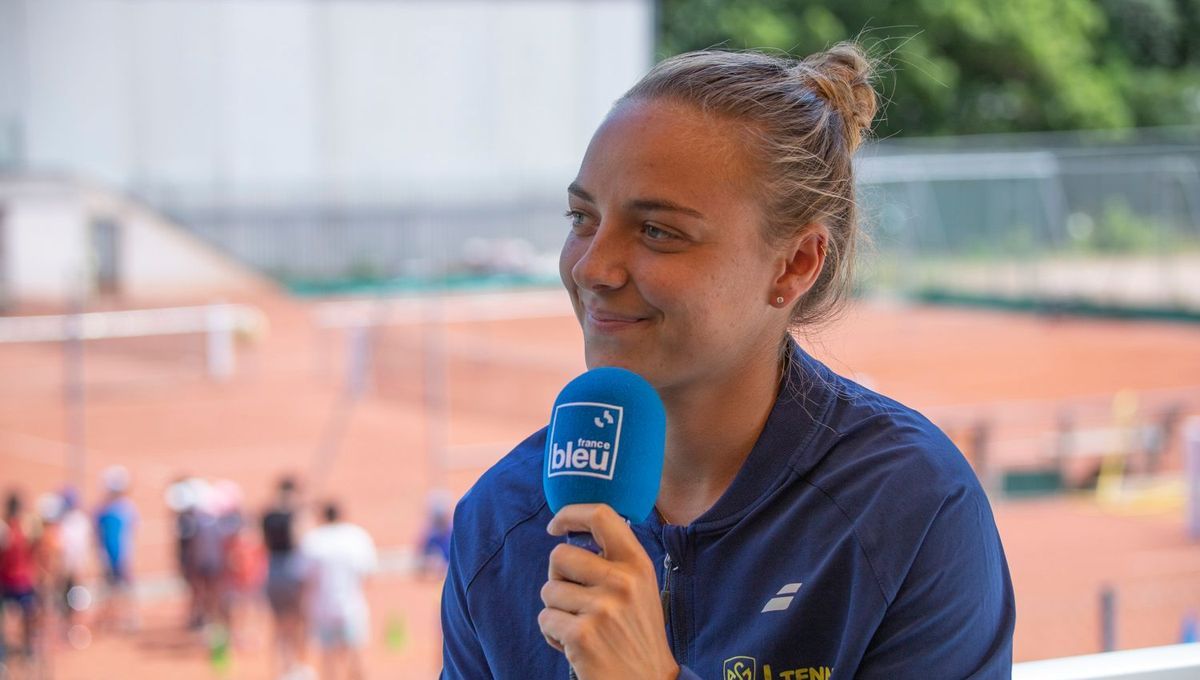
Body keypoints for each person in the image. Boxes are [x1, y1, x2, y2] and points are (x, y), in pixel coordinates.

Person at [441, 44, 1015, 679]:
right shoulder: (501, 517)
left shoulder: (909, 504)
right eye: (582, 218)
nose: (591, 268)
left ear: (796, 263)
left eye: (658, 231)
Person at [301, 501, 376, 680]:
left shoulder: (313, 539)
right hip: (351, 606)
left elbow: (304, 577)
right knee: (356, 656)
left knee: (328, 659)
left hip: (322, 608)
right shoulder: (356, 536)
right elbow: (367, 574)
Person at [262, 475, 309, 676]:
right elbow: (300, 541)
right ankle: (297, 666)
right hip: (292, 569)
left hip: (272, 569)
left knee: (279, 624)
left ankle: (282, 668)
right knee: (299, 621)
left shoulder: (267, 516)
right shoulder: (295, 516)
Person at [0, 490, 41, 668]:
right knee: (28, 618)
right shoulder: (21, 529)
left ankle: (23, 651)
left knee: (27, 618)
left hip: (14, 583)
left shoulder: (14, 529)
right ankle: (26, 651)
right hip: (18, 583)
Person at [95, 466, 139, 631]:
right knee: (114, 589)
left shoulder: (106, 510)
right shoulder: (121, 509)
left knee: (118, 589)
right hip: (117, 554)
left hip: (118, 554)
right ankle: (115, 619)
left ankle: (123, 619)